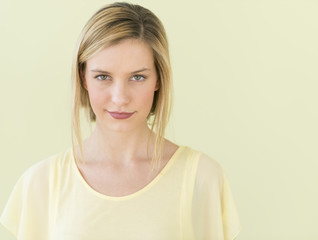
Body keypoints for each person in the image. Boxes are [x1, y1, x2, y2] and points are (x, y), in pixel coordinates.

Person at [0, 2, 241, 239]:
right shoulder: (40, 183)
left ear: (158, 79)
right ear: (83, 78)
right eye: (103, 76)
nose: (120, 98)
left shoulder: (203, 178)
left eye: (137, 77)